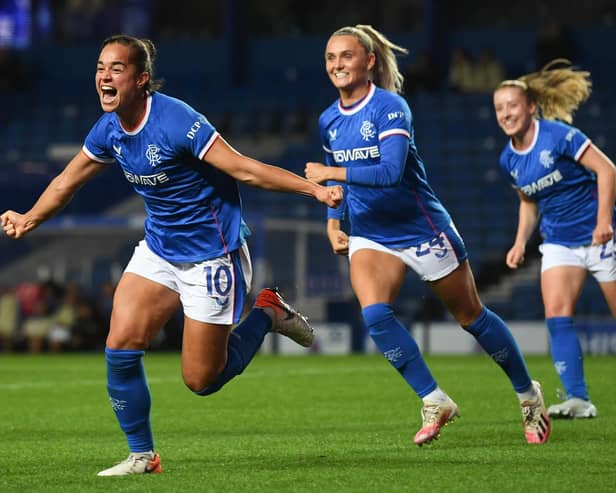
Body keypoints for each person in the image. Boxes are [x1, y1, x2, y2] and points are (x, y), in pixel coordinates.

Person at [1, 34, 342, 476]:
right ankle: (142, 455)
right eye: (101, 68)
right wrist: (30, 218)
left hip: (212, 255)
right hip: (160, 250)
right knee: (120, 345)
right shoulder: (107, 130)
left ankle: (268, 313)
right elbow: (68, 181)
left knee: (202, 380)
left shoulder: (177, 120)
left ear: (142, 79)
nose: (104, 76)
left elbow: (243, 169)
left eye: (116, 68)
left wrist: (312, 188)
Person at [304, 24, 550, 446]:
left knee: (471, 316)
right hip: (371, 232)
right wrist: (333, 221)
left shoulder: (391, 108)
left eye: (346, 56)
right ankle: (434, 399)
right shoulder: (328, 119)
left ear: (369, 62)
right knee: (375, 316)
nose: (337, 64)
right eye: (330, 57)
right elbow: (337, 190)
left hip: (422, 228)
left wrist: (330, 172)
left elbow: (390, 172)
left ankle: (529, 395)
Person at [492, 59, 616, 419]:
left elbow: (607, 170)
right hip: (559, 241)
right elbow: (528, 202)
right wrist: (519, 242)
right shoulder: (507, 160)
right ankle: (578, 399)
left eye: (512, 105)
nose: (505, 113)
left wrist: (604, 220)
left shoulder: (559, 135)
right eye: (499, 108)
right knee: (557, 315)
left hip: (599, 237)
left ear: (531, 106)